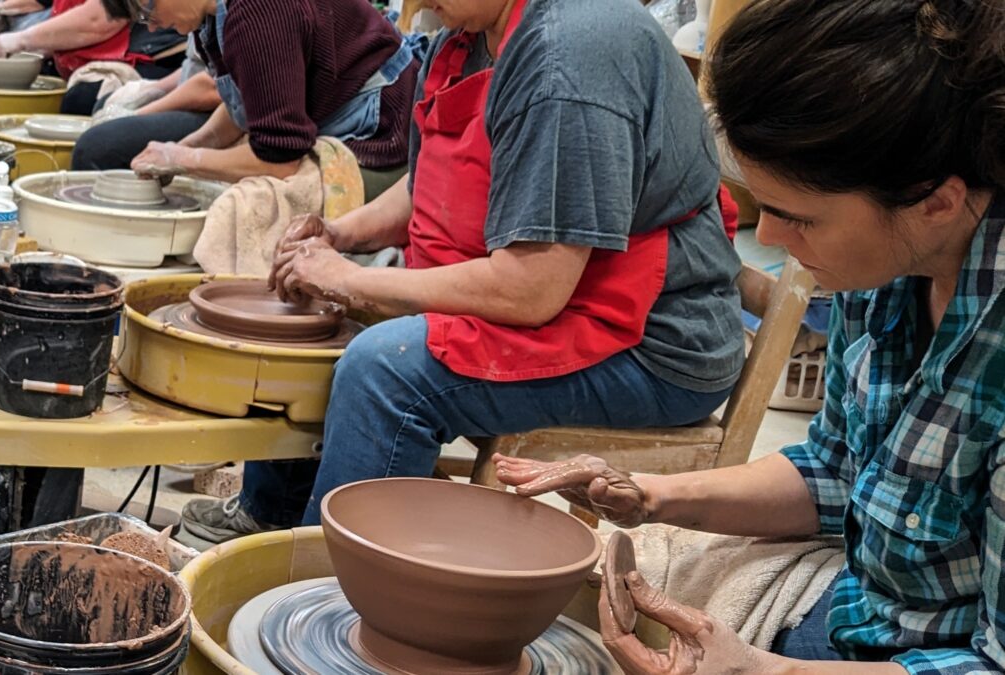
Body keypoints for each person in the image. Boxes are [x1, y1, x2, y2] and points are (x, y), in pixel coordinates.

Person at [494, 0, 1005, 672]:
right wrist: (647, 494)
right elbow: (835, 471)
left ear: (936, 200)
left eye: (800, 219)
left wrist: (763, 670)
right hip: (864, 607)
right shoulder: (886, 265)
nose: (766, 239)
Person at [176, 0, 745, 550]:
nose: (415, 3)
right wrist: (340, 235)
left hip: (649, 343)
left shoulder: (566, 57)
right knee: (319, 316)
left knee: (384, 371)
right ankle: (272, 520)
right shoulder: (471, 34)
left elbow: (532, 288)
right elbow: (426, 183)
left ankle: (331, 594)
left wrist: (352, 280)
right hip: (556, 293)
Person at [100, 0, 418, 203]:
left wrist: (184, 158)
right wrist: (190, 145)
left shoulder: (257, 12)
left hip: (384, 130)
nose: (151, 26)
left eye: (147, 9)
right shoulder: (210, 15)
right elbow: (253, 93)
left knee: (244, 207)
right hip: (324, 115)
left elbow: (280, 157)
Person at [0, 1, 184, 115]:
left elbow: (103, 19)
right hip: (116, 38)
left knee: (82, 100)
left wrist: (25, 39)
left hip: (161, 58)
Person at [71, 35, 221, 171]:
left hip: (218, 112)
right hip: (195, 93)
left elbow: (213, 88)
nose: (151, 29)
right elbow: (194, 67)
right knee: (103, 103)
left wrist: (137, 113)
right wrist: (150, 91)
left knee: (94, 145)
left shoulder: (229, 11)